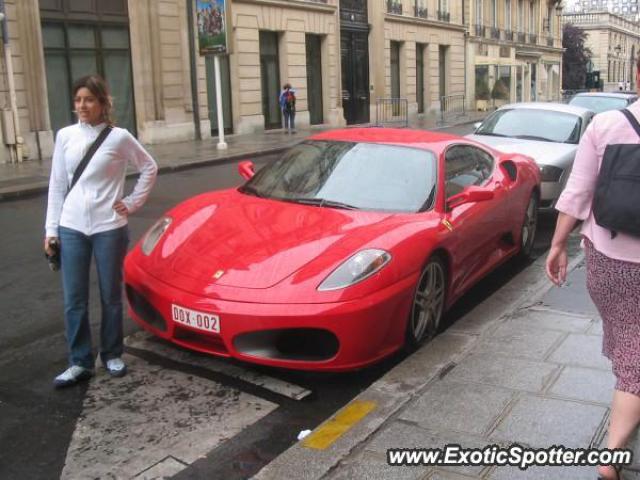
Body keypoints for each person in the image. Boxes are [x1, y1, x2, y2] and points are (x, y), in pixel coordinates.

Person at [546, 63, 640, 480]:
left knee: (628, 341)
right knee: (635, 355)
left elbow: (578, 192)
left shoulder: (606, 125)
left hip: (608, 258)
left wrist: (556, 244)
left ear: (638, 75)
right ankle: (613, 453)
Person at [44, 75, 158, 388]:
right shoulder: (65, 136)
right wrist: (50, 228)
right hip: (71, 226)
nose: (82, 106)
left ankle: (111, 353)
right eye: (78, 99)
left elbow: (149, 166)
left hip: (109, 227)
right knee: (74, 299)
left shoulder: (118, 137)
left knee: (110, 296)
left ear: (102, 103)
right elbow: (57, 184)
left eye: (89, 100)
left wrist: (132, 202)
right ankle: (79, 361)